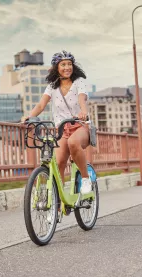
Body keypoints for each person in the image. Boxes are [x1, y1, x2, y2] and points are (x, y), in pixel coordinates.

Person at [22, 50, 92, 194]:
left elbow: (82, 99)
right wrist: (29, 117)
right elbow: (41, 105)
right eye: (63, 64)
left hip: (79, 126)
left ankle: (86, 179)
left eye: (69, 64)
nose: (67, 67)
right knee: (59, 162)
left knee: (73, 142)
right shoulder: (52, 87)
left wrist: (83, 112)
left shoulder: (79, 82)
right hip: (61, 130)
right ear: (57, 68)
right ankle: (59, 202)